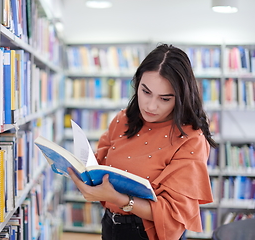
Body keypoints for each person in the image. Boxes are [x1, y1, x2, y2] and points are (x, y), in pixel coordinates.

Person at [68, 43, 217, 240]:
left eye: (165, 99)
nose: (151, 106)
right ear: (137, 83)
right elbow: (100, 164)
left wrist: (118, 199)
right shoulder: (123, 119)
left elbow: (173, 213)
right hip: (110, 225)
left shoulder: (191, 140)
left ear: (181, 98)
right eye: (145, 91)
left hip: (146, 233)